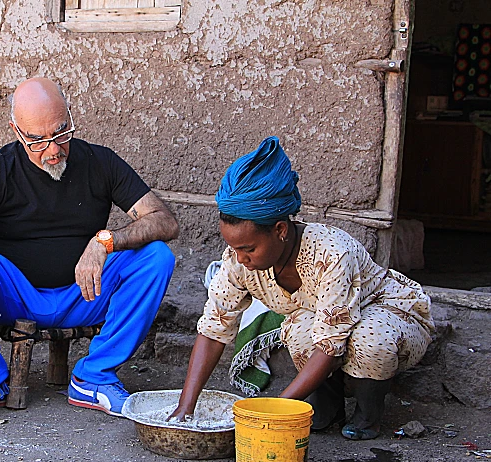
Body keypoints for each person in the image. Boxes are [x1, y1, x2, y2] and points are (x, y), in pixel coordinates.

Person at [0, 77, 179, 422]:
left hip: (85, 292)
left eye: (62, 133)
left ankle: (94, 377)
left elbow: (164, 221)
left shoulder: (101, 162)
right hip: (13, 296)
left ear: (70, 117)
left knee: (157, 258)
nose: (53, 150)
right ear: (16, 131)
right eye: (37, 140)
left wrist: (106, 240)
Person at [169, 136, 434, 440]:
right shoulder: (238, 260)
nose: (240, 259)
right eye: (234, 249)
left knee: (368, 339)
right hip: (332, 322)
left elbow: (331, 343)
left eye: (248, 249)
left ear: (280, 230)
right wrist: (185, 408)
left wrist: (274, 410)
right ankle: (328, 408)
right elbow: (215, 327)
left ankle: (368, 416)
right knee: (297, 332)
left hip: (389, 312)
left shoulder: (331, 253)